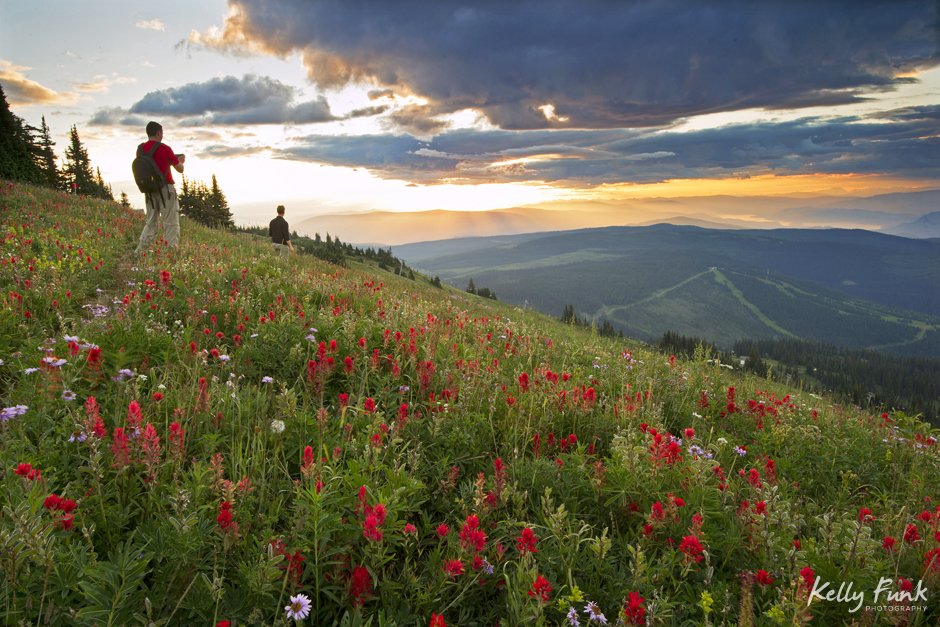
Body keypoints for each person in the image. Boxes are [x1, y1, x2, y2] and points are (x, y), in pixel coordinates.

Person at [135, 121, 184, 255]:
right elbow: (180, 169)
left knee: (151, 221)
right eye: (161, 133)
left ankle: (140, 252)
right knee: (170, 222)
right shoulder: (165, 149)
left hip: (149, 190)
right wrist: (180, 160)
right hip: (165, 189)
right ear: (158, 133)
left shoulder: (140, 150)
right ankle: (170, 254)